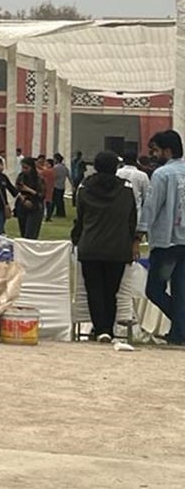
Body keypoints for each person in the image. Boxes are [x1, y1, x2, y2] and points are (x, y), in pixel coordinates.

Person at [72, 151, 138, 343]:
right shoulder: (126, 189)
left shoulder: (84, 188)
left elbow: (81, 218)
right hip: (118, 247)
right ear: (115, 168)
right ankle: (108, 327)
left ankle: (100, 329)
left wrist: (76, 238)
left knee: (94, 290)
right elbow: (131, 219)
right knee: (111, 291)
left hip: (91, 245)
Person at [139, 130, 185, 346]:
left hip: (168, 242)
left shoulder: (162, 174)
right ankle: (178, 333)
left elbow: (151, 207)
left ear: (167, 150)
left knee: (155, 289)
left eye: (156, 150)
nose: (153, 155)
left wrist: (139, 232)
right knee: (180, 289)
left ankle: (181, 326)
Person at [13, 157, 45, 240]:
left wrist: (28, 189)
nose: (24, 170)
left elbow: (41, 195)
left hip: (35, 206)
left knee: (31, 234)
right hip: (22, 205)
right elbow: (17, 191)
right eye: (23, 167)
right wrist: (23, 200)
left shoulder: (38, 178)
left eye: (26, 168)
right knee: (23, 233)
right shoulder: (21, 176)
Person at [117, 151, 151, 225]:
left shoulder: (117, 173)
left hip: (118, 211)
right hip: (136, 212)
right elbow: (147, 197)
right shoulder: (142, 175)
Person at [52, 153, 70, 217]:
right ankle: (60, 212)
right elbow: (69, 176)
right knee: (60, 200)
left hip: (56, 185)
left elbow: (53, 176)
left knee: (56, 200)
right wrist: (72, 185)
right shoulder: (65, 167)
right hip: (62, 186)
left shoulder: (55, 167)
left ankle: (60, 213)